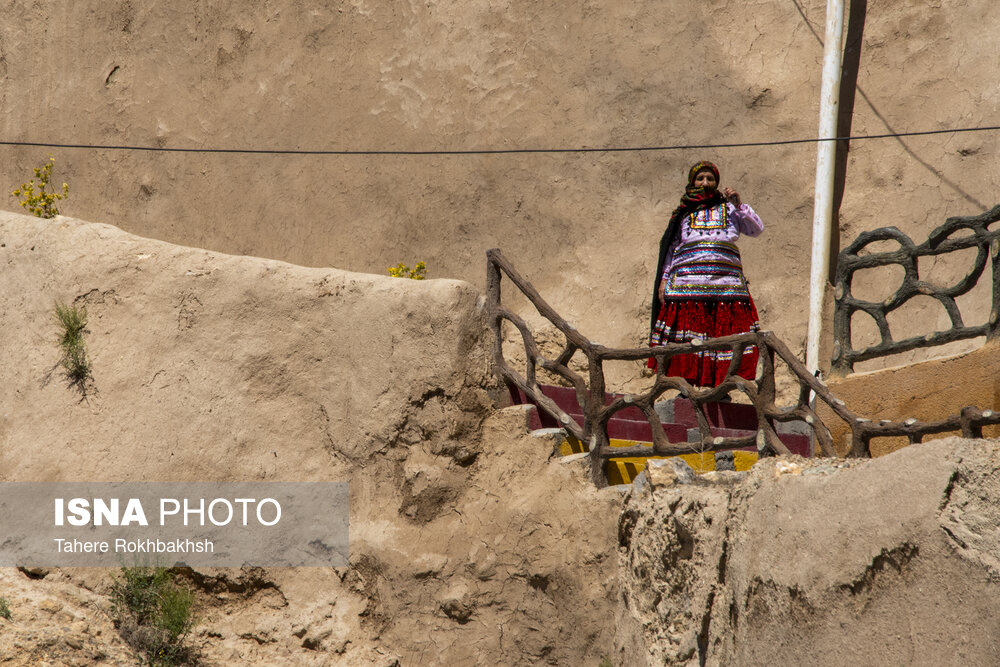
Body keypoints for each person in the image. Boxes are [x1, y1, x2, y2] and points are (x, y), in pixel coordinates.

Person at [647, 161, 763, 386]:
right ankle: (686, 387)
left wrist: (739, 205)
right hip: (687, 286)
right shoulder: (683, 212)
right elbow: (671, 249)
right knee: (689, 338)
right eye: (700, 178)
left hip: (725, 287)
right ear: (692, 182)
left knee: (724, 337)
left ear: (716, 182)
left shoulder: (729, 209)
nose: (705, 183)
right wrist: (664, 281)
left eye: (710, 179)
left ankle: (722, 387)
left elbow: (756, 229)